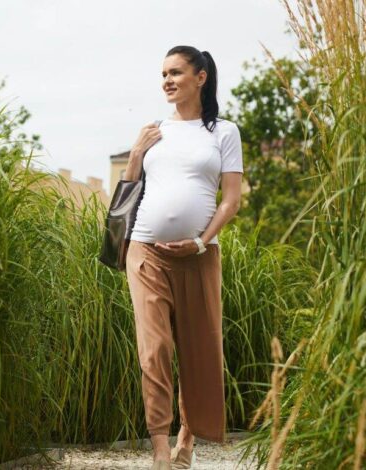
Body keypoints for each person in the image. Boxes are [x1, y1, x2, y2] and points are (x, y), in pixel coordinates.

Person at [123, 46, 244, 470]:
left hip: (199, 257)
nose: (167, 81)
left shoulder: (223, 132)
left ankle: (186, 443)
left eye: (176, 72)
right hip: (145, 253)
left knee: (198, 350)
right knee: (154, 350)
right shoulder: (153, 131)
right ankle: (160, 449)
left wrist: (200, 241)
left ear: (201, 77)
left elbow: (231, 201)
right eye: (163, 75)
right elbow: (127, 193)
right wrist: (136, 154)